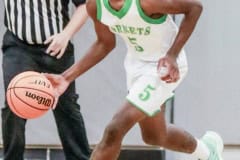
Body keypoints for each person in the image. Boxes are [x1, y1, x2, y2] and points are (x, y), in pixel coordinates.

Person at [45, 0, 224, 159]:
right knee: (154, 136)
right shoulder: (95, 5)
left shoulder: (147, 3)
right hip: (136, 66)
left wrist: (172, 55)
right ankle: (207, 151)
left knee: (115, 129)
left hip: (162, 67)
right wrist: (65, 78)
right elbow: (104, 43)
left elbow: (194, 8)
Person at [1, 0, 90, 160]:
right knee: (14, 104)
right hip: (18, 46)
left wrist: (66, 34)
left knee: (67, 107)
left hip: (55, 47)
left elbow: (84, 6)